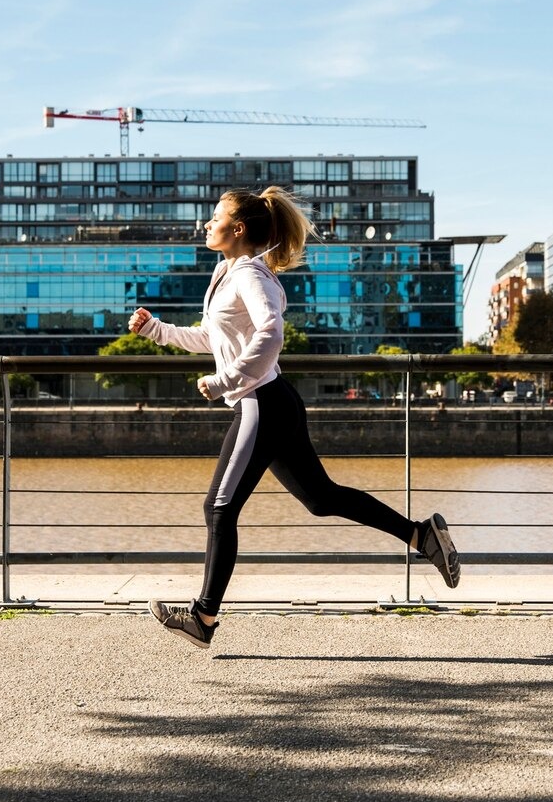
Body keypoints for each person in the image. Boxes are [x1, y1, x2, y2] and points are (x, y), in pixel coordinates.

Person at [128, 186, 460, 648]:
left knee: (219, 508)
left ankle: (202, 618)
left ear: (238, 229)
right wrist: (157, 331)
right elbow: (214, 338)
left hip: (260, 402)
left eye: (215, 217)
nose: (207, 224)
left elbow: (271, 333)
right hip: (272, 401)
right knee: (321, 498)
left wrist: (226, 382)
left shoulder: (250, 274)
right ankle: (422, 535)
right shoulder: (227, 271)